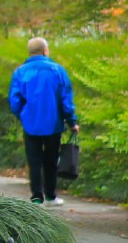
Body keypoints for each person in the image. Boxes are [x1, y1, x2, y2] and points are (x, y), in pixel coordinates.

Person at [8, 37, 78, 205]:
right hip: (53, 123)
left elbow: (14, 100)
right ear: (45, 51)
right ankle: (51, 195)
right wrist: (71, 121)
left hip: (30, 123)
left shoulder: (20, 72)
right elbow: (65, 100)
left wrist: (22, 116)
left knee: (34, 160)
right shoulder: (57, 71)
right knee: (51, 160)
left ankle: (36, 196)